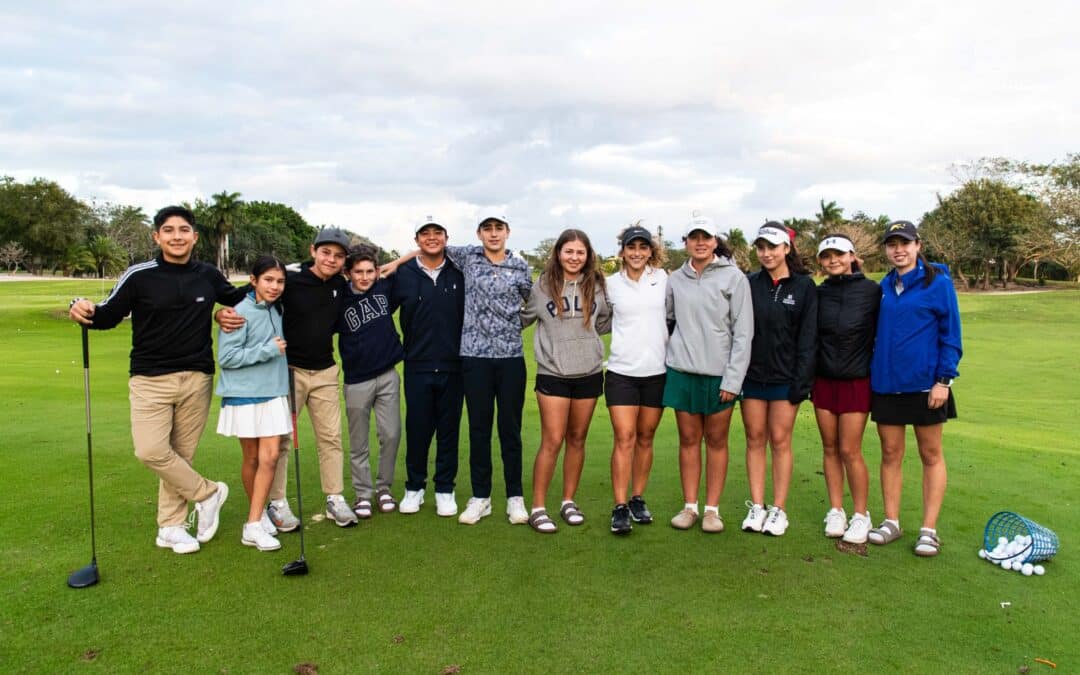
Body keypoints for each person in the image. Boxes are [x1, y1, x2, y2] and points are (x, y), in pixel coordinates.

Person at [68, 205, 244, 554]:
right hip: (150, 379)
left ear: (194, 236)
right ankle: (208, 493)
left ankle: (171, 527)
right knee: (150, 451)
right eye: (168, 230)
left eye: (183, 230)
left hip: (197, 376)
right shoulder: (140, 275)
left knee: (180, 456)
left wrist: (226, 311)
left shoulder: (208, 275)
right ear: (157, 236)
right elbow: (106, 316)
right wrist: (81, 306)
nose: (176, 236)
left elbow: (242, 299)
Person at [382, 216, 532, 525]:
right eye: (487, 229)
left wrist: (516, 323)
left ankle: (515, 498)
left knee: (509, 431)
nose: (493, 234)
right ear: (478, 234)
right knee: (477, 430)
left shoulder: (520, 266)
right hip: (473, 357)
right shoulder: (468, 256)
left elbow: (535, 303)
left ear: (507, 232)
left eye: (498, 229)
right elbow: (428, 251)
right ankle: (480, 497)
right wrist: (396, 262)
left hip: (510, 357)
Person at [216, 227, 359, 529]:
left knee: (331, 438)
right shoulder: (290, 280)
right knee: (280, 441)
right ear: (313, 252)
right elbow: (245, 297)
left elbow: (371, 278)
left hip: (325, 370)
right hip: (289, 371)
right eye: (326, 252)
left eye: (338, 255)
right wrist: (218, 314)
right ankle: (277, 503)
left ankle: (334, 498)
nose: (331, 259)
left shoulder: (340, 285)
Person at [868, 220, 962, 557]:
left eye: (904, 243)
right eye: (892, 244)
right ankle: (891, 521)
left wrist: (944, 380)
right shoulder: (883, 286)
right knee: (891, 453)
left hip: (926, 385)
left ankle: (929, 529)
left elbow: (951, 336)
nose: (898, 250)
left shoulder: (938, 283)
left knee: (930, 454)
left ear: (918, 245)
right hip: (888, 383)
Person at [665, 212, 753, 533]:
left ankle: (712, 510)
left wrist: (733, 379)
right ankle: (690, 506)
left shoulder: (734, 278)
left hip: (720, 375)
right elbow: (668, 320)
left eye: (706, 237)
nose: (700, 243)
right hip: (683, 371)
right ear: (686, 242)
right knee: (688, 440)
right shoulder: (675, 279)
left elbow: (743, 333)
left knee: (716, 440)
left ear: (715, 242)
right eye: (694, 237)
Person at [521, 229, 612, 534]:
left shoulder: (598, 286)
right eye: (568, 251)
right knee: (553, 439)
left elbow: (603, 323)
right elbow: (522, 319)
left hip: (588, 372)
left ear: (588, 255)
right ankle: (537, 507)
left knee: (577, 439)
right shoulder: (542, 287)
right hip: (553, 372)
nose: (574, 257)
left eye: (580, 252)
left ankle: (568, 501)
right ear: (558, 253)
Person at [739, 222, 817, 537]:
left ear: (786, 248)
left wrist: (802, 381)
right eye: (761, 247)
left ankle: (778, 510)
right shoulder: (748, 283)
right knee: (755, 439)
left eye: (772, 247)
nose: (766, 253)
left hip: (787, 379)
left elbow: (808, 338)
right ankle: (757, 506)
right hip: (753, 376)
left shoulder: (804, 286)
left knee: (780, 441)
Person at [390, 218, 465, 518]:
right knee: (418, 429)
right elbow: (384, 311)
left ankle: (445, 489)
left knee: (449, 430)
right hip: (417, 364)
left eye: (437, 233)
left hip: (454, 364)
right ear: (417, 239)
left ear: (447, 237)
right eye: (426, 233)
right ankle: (414, 488)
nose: (432, 238)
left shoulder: (460, 271)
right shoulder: (403, 274)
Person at [215, 256, 291, 552]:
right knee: (252, 459)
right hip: (245, 395)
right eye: (268, 280)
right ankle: (255, 521)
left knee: (270, 457)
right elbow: (228, 358)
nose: (274, 286)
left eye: (280, 281)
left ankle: (254, 522)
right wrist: (268, 350)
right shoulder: (239, 312)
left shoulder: (278, 308)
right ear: (253, 280)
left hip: (273, 393)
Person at [813, 234, 879, 544]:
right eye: (827, 256)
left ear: (852, 256)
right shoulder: (819, 293)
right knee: (829, 447)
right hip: (824, 380)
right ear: (821, 262)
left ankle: (861, 515)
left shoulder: (871, 292)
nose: (833, 260)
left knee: (850, 449)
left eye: (838, 254)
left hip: (856, 380)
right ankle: (836, 510)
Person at [604, 223, 668, 535]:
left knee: (645, 437)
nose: (637, 253)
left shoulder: (664, 279)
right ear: (623, 251)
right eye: (632, 248)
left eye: (643, 248)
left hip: (657, 372)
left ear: (650, 251)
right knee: (625, 436)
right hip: (621, 372)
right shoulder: (610, 284)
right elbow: (599, 320)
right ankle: (619, 506)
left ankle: (637, 498)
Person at [337, 245, 404, 519]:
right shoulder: (338, 297)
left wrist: (395, 262)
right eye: (358, 272)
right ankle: (363, 494)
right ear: (347, 273)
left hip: (388, 374)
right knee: (359, 442)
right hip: (356, 380)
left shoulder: (383, 289)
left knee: (391, 434)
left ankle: (383, 488)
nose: (364, 277)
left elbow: (417, 254)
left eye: (369, 272)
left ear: (377, 271)